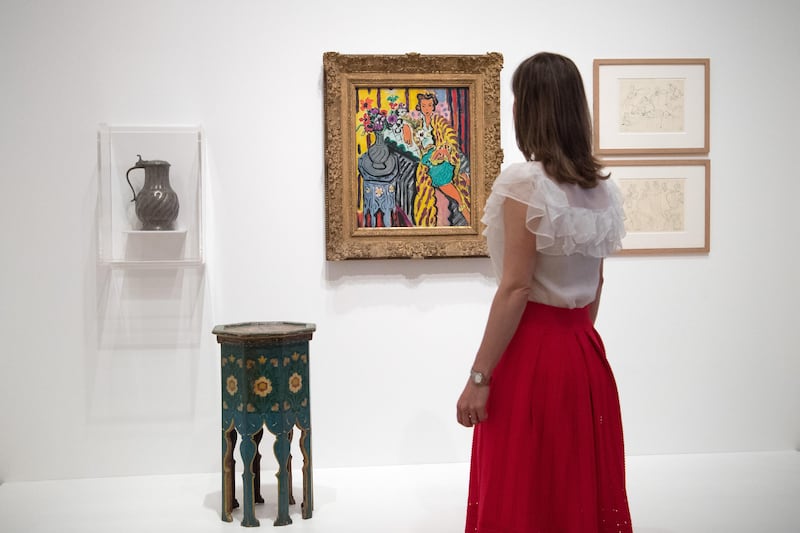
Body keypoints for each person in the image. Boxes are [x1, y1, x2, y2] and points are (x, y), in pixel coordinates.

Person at [456, 52, 632, 533]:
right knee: (575, 481)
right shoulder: (602, 189)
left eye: (517, 99)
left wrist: (479, 376)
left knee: (524, 486)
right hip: (584, 355)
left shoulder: (523, 183)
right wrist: (572, 340)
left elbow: (515, 288)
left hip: (530, 354)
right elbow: (595, 286)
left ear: (530, 109)